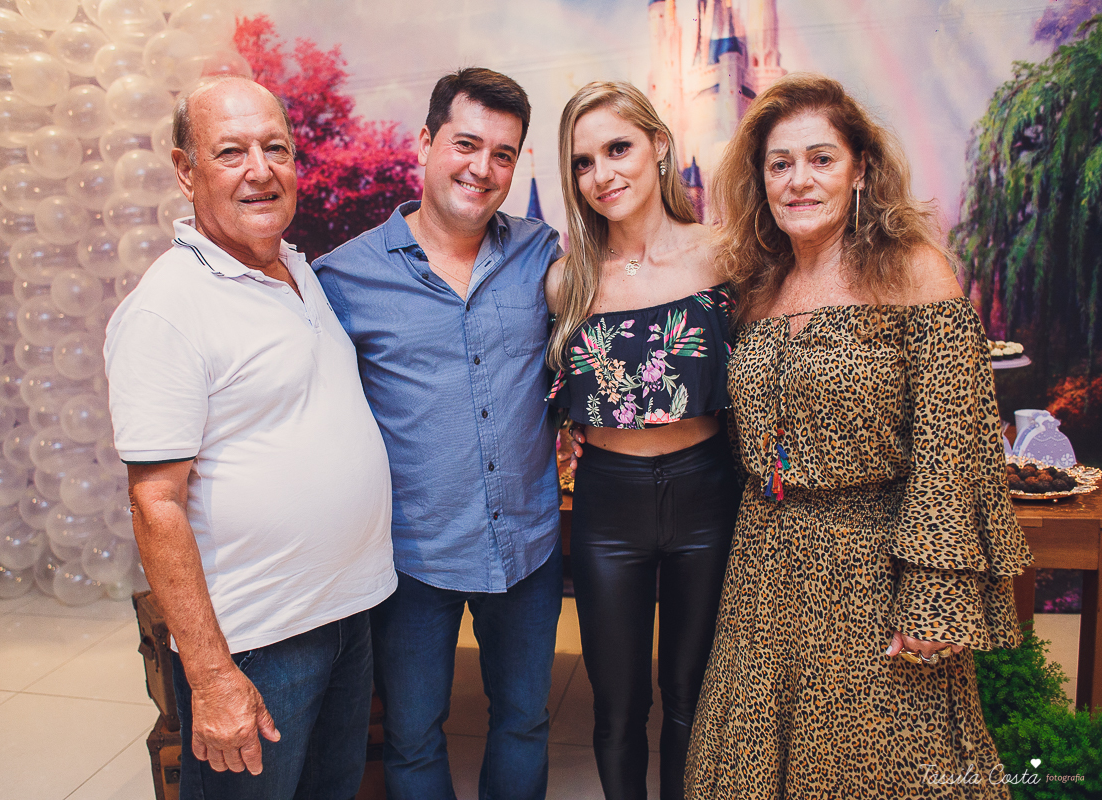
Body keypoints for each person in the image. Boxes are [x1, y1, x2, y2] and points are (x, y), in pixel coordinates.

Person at [683, 73, 1032, 799]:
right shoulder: (757, 286)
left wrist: (934, 597)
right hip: (763, 570)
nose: (798, 181)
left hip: (873, 567)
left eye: (821, 159)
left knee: (879, 769)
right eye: (780, 164)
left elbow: (952, 448)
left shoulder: (915, 273)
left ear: (861, 169)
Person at [104, 76, 396, 800]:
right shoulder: (167, 309)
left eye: (276, 148)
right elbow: (156, 504)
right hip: (256, 644)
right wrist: (210, 676)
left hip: (342, 614)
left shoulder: (296, 268)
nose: (260, 170)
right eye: (230, 151)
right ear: (185, 170)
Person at [312, 68, 563, 800]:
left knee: (524, 721)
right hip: (411, 558)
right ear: (424, 142)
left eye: (504, 154)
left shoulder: (542, 254)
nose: (482, 169)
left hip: (528, 544)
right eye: (466, 144)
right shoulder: (343, 277)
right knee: (415, 737)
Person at [545, 81, 739, 800]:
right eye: (584, 162)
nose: (604, 174)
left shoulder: (723, 254)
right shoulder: (567, 282)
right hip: (609, 505)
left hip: (707, 493)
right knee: (618, 706)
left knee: (692, 697)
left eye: (618, 148)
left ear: (659, 146)